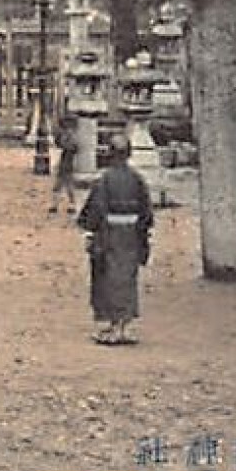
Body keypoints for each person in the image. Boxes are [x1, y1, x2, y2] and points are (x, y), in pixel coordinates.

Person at [77, 132, 154, 344]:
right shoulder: (137, 179)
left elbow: (95, 209)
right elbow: (146, 212)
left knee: (108, 278)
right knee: (127, 277)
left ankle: (114, 326)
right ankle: (124, 326)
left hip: (109, 233)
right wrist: (143, 234)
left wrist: (90, 229)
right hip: (132, 234)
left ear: (110, 154)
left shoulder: (104, 180)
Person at [48, 113, 79, 214]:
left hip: (68, 162)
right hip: (65, 161)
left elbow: (70, 146)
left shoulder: (71, 135)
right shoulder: (70, 134)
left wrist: (61, 141)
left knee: (66, 185)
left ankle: (69, 205)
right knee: (61, 185)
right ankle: (57, 204)